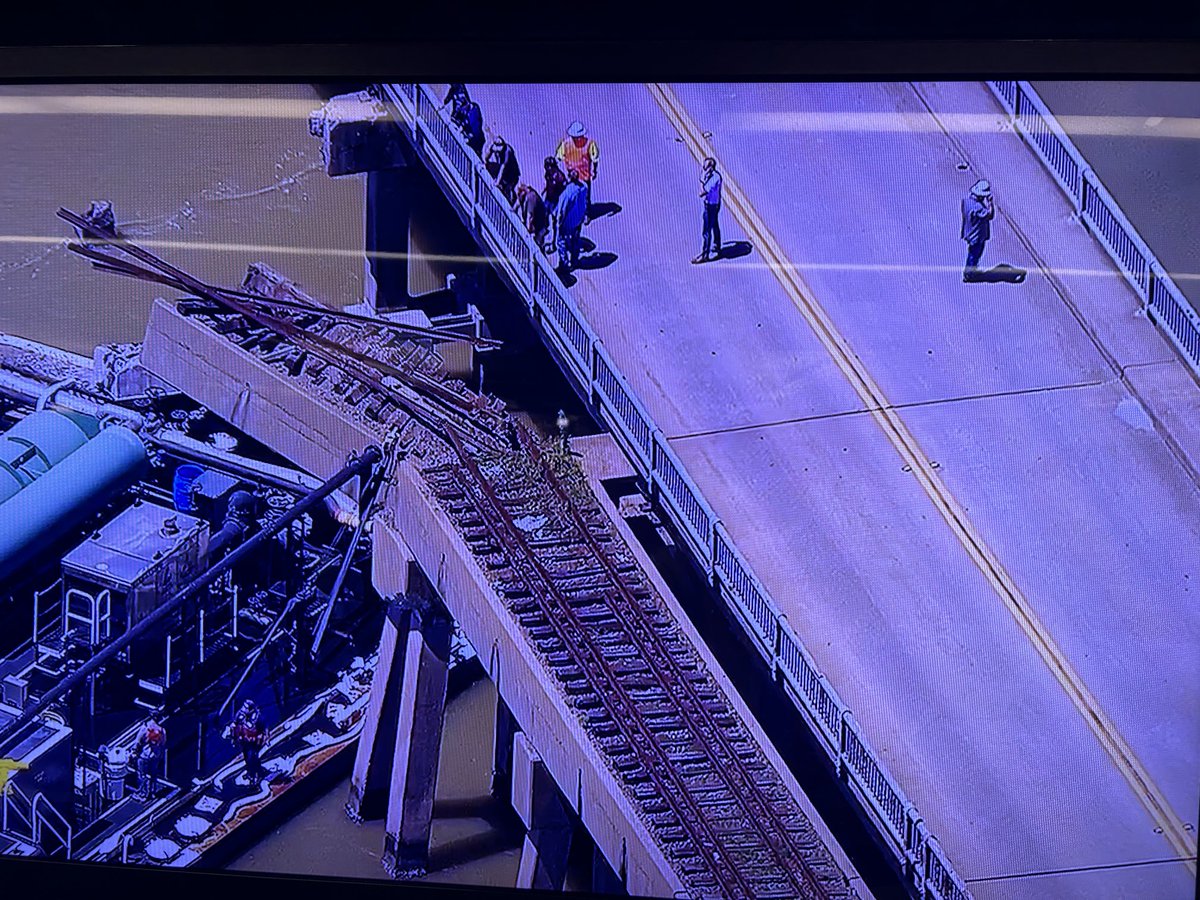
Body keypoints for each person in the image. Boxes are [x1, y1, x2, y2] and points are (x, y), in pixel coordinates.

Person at [555, 121, 600, 214]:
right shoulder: (566, 144)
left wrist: (594, 171)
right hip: (571, 175)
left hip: (584, 175)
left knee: (585, 196)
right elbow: (558, 157)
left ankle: (586, 212)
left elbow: (595, 159)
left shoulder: (589, 144)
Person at [554, 169, 589, 273]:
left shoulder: (567, 193)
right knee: (575, 240)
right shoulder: (583, 188)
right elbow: (584, 203)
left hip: (568, 222)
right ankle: (574, 260)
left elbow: (562, 211)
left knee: (560, 242)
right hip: (578, 220)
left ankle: (564, 264)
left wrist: (559, 223)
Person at [961, 179, 995, 281]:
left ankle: (970, 272)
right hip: (977, 235)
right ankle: (969, 274)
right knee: (975, 254)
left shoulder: (966, 201)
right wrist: (990, 203)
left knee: (972, 253)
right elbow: (990, 215)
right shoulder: (978, 207)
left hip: (969, 231)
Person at [228, 699, 268, 783]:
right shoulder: (240, 715)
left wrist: (264, 738)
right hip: (245, 742)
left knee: (252, 757)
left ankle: (256, 774)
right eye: (244, 707)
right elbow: (234, 725)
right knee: (248, 758)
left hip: (254, 741)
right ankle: (252, 773)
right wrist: (234, 737)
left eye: (246, 707)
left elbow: (263, 729)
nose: (243, 709)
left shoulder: (257, 717)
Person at [693, 157, 723, 264]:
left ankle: (705, 254)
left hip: (711, 206)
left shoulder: (715, 178)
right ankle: (717, 246)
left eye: (705, 166)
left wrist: (701, 180)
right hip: (713, 204)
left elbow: (702, 193)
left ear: (711, 167)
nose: (704, 168)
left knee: (706, 230)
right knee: (714, 224)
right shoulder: (709, 175)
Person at [133, 718, 166, 801]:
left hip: (144, 755)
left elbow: (137, 741)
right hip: (155, 755)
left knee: (142, 775)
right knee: (153, 775)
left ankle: (143, 794)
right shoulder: (162, 730)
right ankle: (152, 792)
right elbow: (163, 743)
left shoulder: (146, 727)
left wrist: (134, 752)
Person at [484, 136, 521, 204]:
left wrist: (497, 182)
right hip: (503, 168)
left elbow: (503, 167)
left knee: (508, 187)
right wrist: (485, 161)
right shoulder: (494, 146)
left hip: (512, 172)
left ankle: (511, 200)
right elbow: (487, 155)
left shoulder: (508, 151)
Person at [543, 157, 568, 250]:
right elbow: (548, 183)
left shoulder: (559, 176)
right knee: (544, 214)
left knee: (555, 222)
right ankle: (545, 230)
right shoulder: (548, 174)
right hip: (548, 198)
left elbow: (565, 188)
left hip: (556, 201)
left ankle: (553, 243)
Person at [515, 184, 550, 251]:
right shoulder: (530, 194)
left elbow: (529, 216)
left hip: (540, 226)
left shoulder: (530, 198)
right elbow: (517, 204)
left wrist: (527, 232)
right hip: (540, 223)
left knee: (537, 245)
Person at [453, 93, 485, 158]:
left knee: (474, 154)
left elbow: (475, 126)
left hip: (476, 139)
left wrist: (469, 136)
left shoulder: (474, 110)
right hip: (471, 136)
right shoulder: (467, 111)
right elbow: (463, 122)